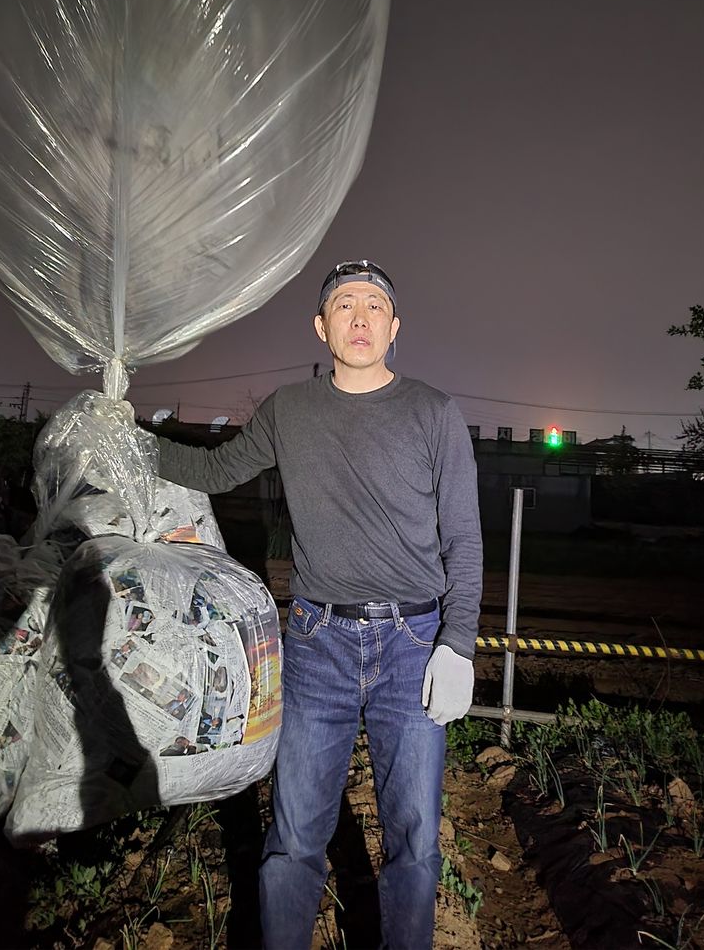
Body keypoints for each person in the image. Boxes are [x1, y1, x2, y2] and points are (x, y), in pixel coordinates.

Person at [153, 259, 483, 950]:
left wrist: (457, 644)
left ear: (394, 327)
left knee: (416, 839)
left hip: (412, 643)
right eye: (343, 305)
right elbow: (214, 469)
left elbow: (463, 537)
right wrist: (131, 443)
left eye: (373, 306)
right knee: (294, 837)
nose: (359, 318)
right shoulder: (288, 410)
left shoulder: (433, 411)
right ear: (320, 326)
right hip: (315, 642)